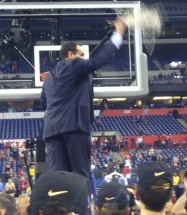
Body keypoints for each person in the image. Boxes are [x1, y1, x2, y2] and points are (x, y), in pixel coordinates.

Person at [40, 17, 127, 184]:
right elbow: (99, 61)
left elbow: (42, 103)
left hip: (51, 131)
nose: (84, 58)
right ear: (71, 55)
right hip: (74, 127)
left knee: (58, 179)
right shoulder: (74, 65)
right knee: (80, 176)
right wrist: (118, 34)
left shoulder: (49, 77)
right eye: (81, 55)